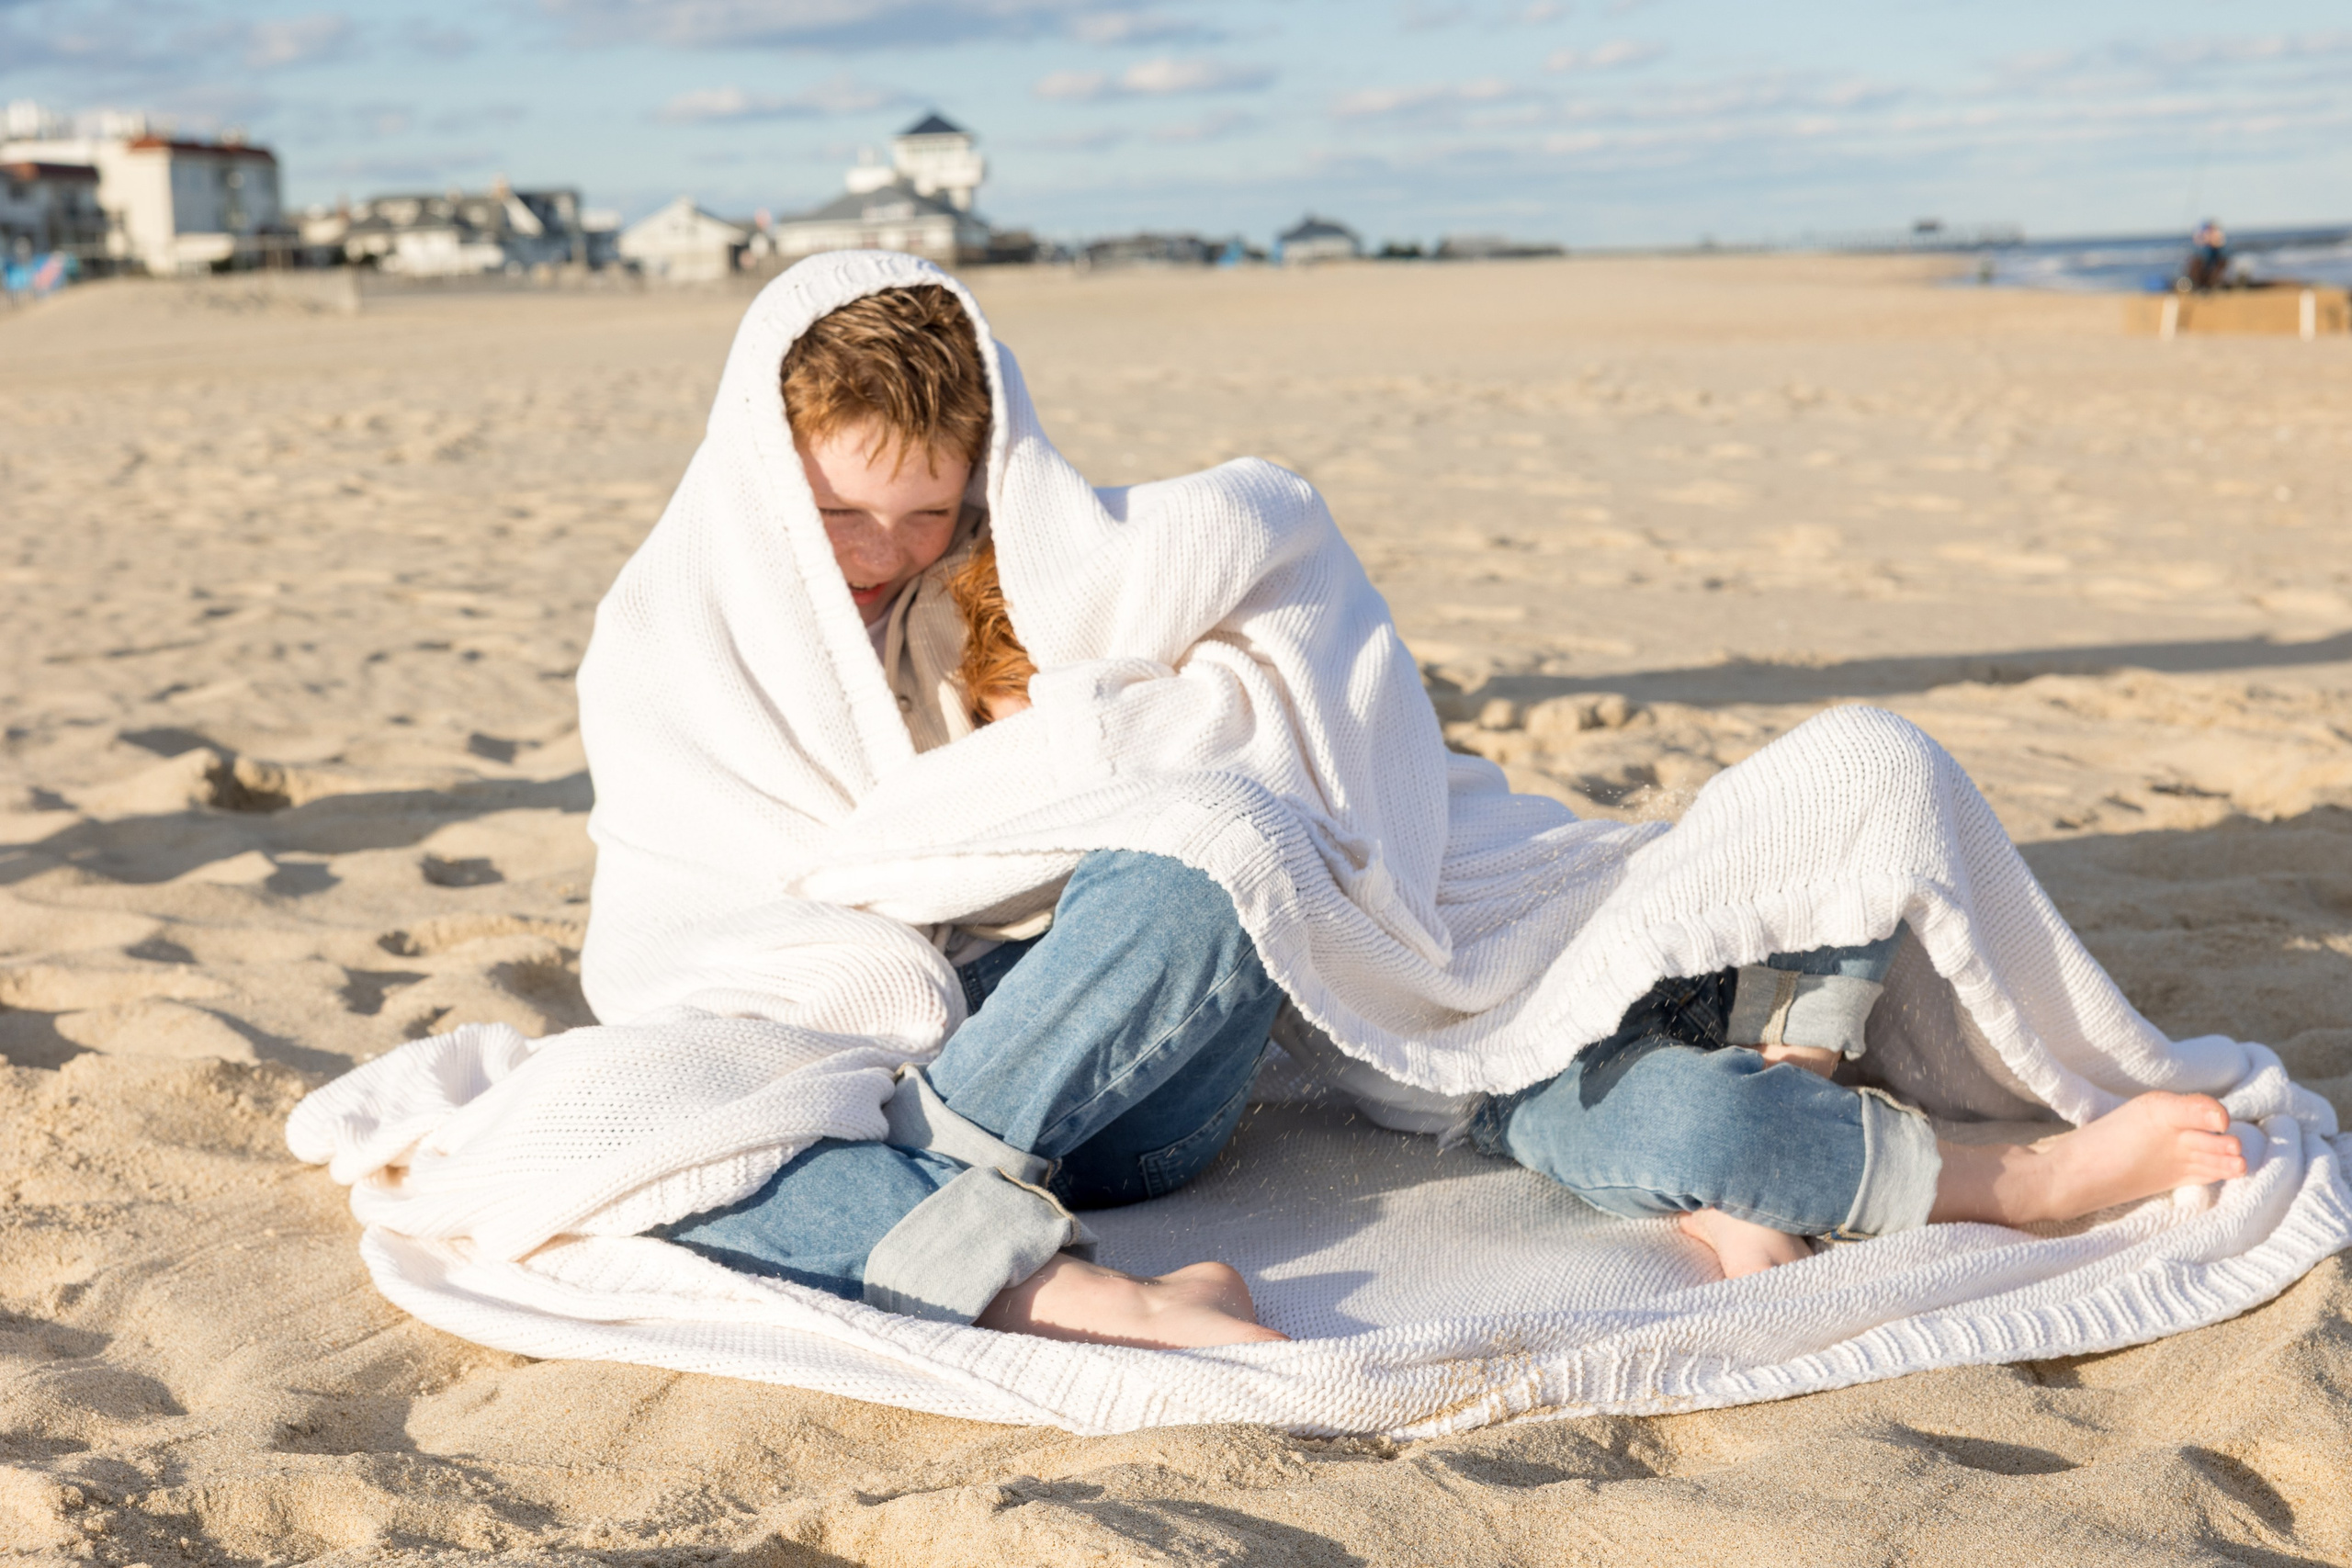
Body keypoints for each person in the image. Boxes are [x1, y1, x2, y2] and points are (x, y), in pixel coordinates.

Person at [641, 279, 2246, 1347]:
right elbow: (722, 906)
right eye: (842, 512)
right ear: (768, 480)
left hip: (1390, 989)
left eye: (926, 510)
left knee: (1814, 836)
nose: (886, 549)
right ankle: (952, 1211)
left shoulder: (1040, 586)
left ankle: (1822, 1123)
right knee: (1213, 860)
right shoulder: (689, 642)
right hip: (1021, 1052)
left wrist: (1810, 1051)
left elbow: (1295, 696)